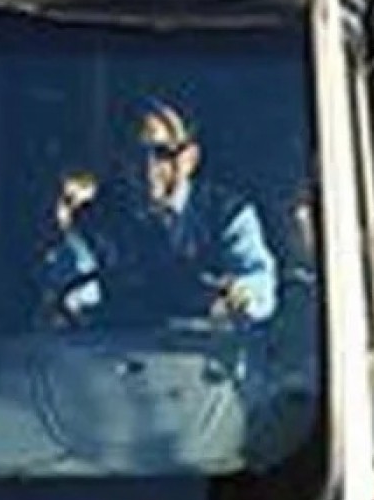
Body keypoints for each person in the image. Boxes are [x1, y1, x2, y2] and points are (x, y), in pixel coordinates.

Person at [39, 99, 277, 329]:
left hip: (208, 355)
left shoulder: (229, 215)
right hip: (116, 356)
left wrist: (241, 298)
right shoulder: (96, 219)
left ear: (191, 159)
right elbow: (72, 282)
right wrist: (66, 300)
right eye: (135, 154)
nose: (148, 169)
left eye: (163, 153)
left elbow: (257, 282)